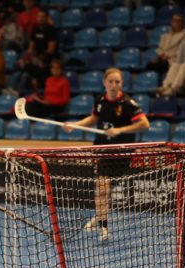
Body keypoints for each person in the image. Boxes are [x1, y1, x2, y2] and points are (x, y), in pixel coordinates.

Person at [63, 68, 150, 242]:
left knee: (106, 189)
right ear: (104, 82)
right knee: (102, 187)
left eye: (117, 82)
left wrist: (120, 130)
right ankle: (103, 227)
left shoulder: (127, 103)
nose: (113, 85)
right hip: (102, 150)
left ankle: (99, 216)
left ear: (121, 83)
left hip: (122, 153)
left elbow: (145, 124)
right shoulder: (100, 100)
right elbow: (94, 118)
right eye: (110, 81)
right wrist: (75, 125)